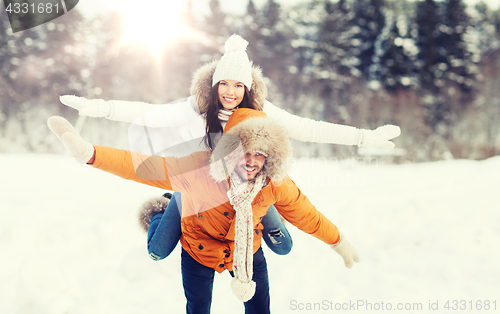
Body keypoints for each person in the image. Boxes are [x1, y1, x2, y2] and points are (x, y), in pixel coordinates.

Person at [59, 34, 400, 261]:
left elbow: (310, 129)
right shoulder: (198, 107)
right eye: (225, 83)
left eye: (239, 85)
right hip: (197, 183)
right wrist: (100, 107)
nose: (231, 92)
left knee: (284, 247)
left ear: (248, 87)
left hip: (250, 188)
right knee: (159, 251)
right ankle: (165, 208)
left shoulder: (262, 113)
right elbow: (151, 115)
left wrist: (363, 137)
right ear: (216, 83)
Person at [47, 108, 360, 314]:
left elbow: (308, 215)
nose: (252, 161)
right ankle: (164, 211)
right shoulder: (199, 169)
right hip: (198, 249)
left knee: (260, 306)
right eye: (245, 152)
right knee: (197, 307)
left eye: (261, 155)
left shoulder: (275, 184)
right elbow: (142, 166)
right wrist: (90, 154)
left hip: (246, 250)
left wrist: (338, 241)